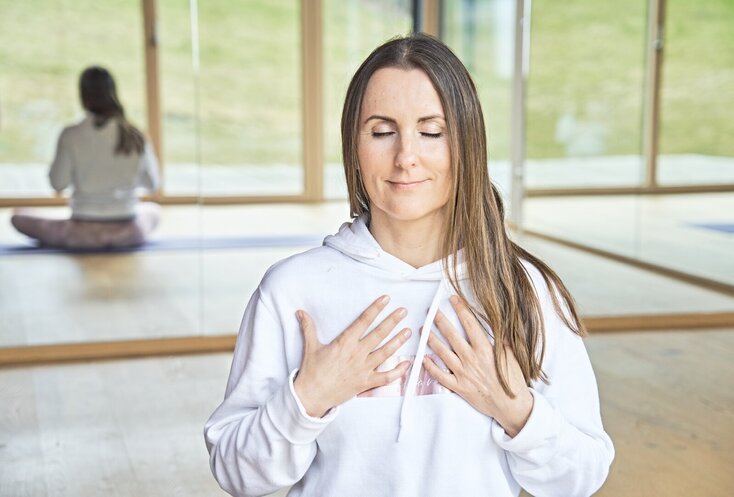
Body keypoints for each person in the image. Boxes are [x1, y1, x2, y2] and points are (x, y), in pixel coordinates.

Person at [205, 34, 614, 497]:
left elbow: (583, 474)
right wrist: (308, 398)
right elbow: (236, 473)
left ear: (467, 146)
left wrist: (514, 408)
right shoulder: (292, 290)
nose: (405, 157)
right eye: (382, 132)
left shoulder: (522, 290)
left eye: (432, 132)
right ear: (353, 149)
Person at [11, 66, 160, 249]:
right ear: (113, 93)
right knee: (153, 211)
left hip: (80, 233)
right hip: (128, 232)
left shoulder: (71, 134)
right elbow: (152, 185)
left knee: (18, 217)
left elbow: (57, 184)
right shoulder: (136, 135)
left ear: (83, 95)